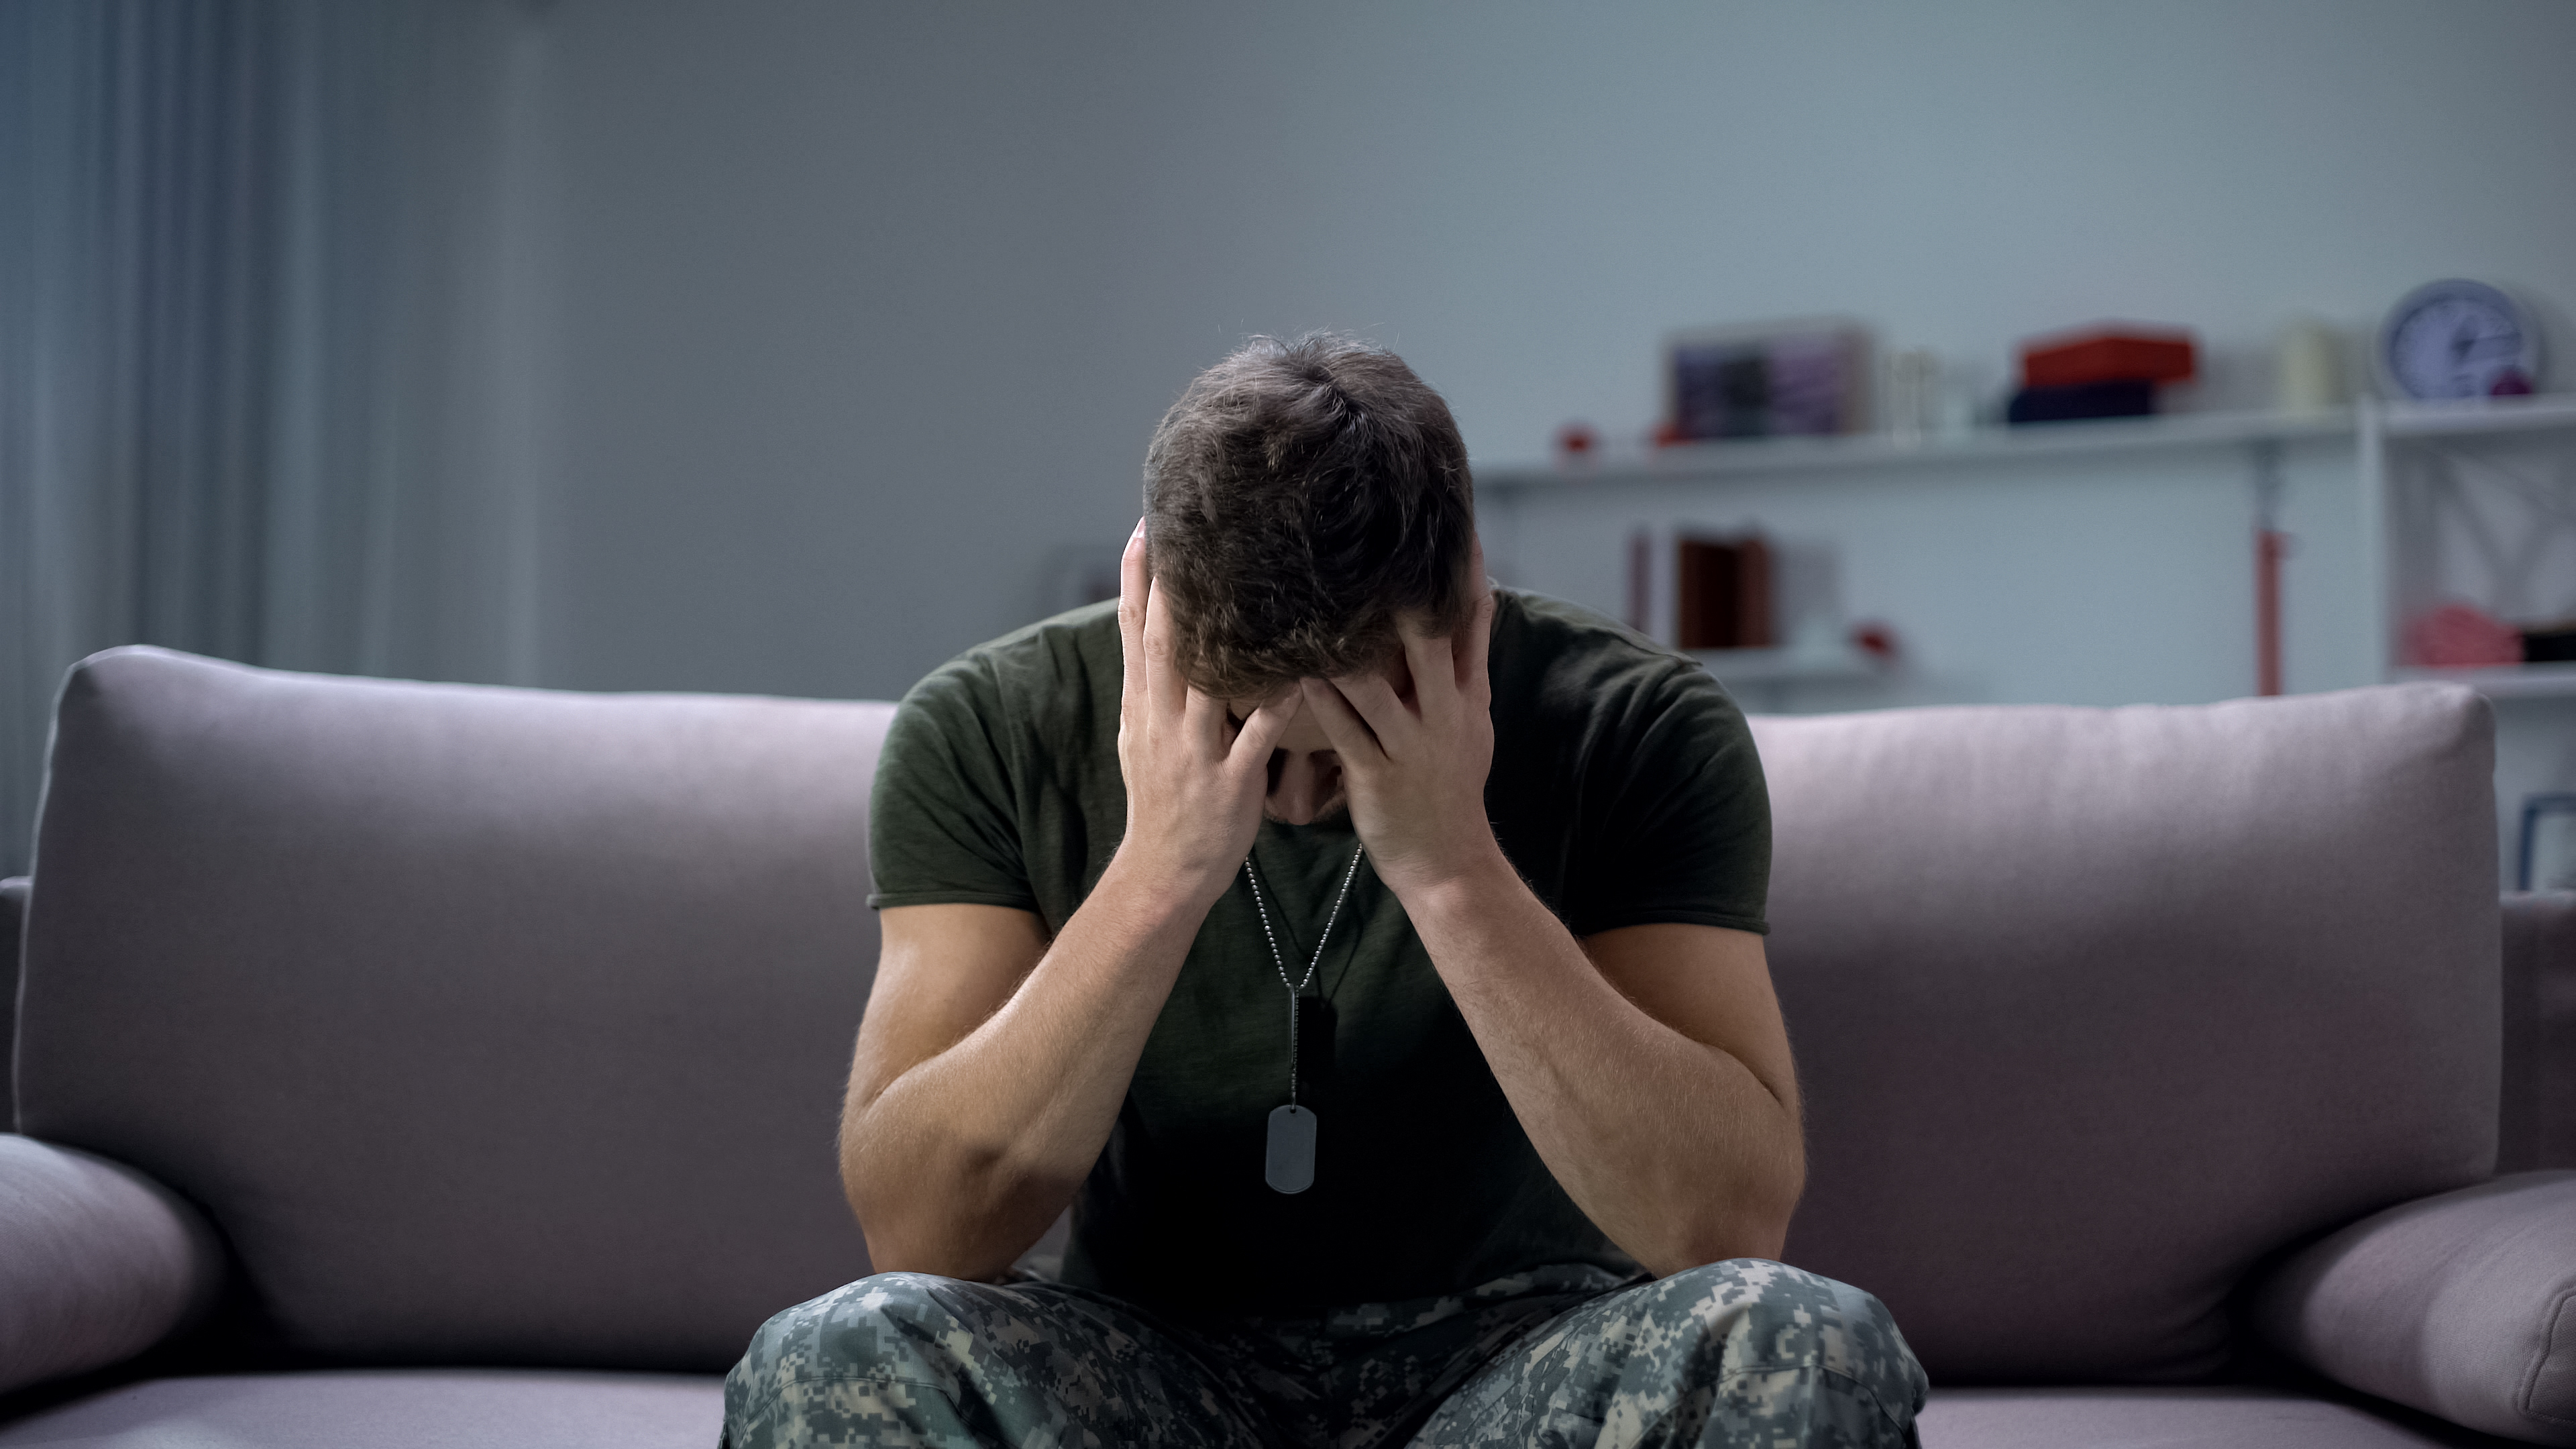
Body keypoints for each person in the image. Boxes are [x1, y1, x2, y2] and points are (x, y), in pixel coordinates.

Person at [722, 335, 1925, 1448]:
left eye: (1356, 732)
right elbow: (921, 1233)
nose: (1292, 797)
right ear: (1151, 603)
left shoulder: (1642, 726)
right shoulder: (985, 727)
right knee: (832, 1356)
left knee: (1803, 1339)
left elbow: (1723, 1228)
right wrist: (1160, 873)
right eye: (1240, 727)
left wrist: (1452, 868)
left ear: (1466, 611)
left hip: (1519, 1360)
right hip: (1155, 1359)